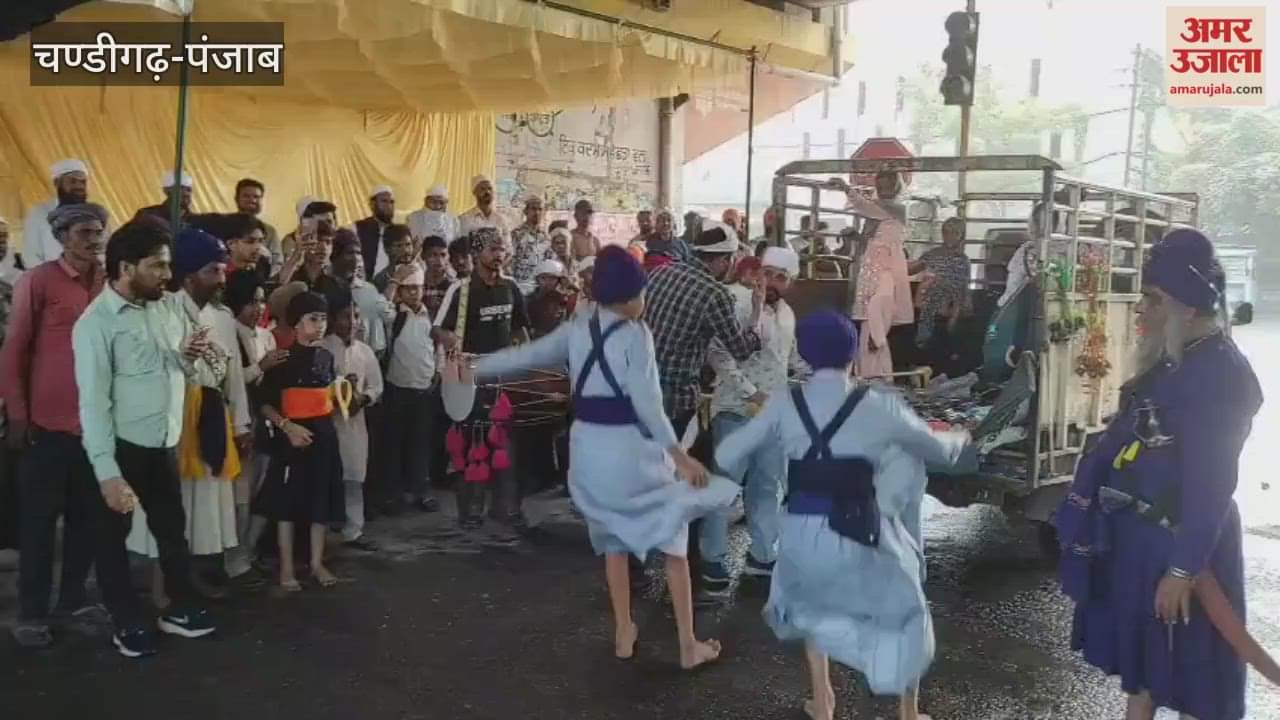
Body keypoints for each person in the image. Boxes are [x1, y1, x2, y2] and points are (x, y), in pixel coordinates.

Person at [453, 245, 738, 669]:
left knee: (613, 541)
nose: (645, 301)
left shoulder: (578, 327)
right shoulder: (636, 335)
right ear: (628, 295)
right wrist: (679, 456)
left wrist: (474, 368)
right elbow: (648, 405)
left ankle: (623, 630)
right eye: (641, 293)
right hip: (632, 453)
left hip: (587, 450)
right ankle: (687, 645)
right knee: (674, 542)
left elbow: (525, 357)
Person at [716, 309, 972, 720]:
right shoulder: (877, 404)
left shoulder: (785, 402)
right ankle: (908, 711)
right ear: (852, 354)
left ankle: (823, 701)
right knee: (905, 609)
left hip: (802, 530)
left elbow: (729, 453)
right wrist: (960, 436)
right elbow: (940, 452)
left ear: (803, 353)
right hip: (861, 526)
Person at [1054, 229, 1262, 720]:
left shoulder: (1221, 374)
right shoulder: (1174, 360)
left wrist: (1183, 569)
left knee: (1199, 675)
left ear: (1187, 307)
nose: (1141, 309)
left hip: (1185, 546)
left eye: (1152, 298)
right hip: (1142, 540)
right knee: (1145, 670)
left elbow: (1212, 485)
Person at [73, 215, 218, 657]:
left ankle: (180, 608)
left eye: (167, 264)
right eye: (157, 265)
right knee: (111, 541)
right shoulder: (95, 324)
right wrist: (107, 473)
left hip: (165, 443)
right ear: (125, 268)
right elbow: (93, 404)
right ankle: (126, 621)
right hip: (121, 448)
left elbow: (184, 369)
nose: (167, 275)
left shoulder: (167, 307)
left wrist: (188, 357)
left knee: (171, 529)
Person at [0, 203, 110, 648]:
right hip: (44, 426)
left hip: (96, 429)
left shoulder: (110, 283)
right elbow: (14, 350)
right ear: (62, 237)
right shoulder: (38, 281)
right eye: (84, 232)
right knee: (39, 526)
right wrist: (18, 414)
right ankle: (31, 613)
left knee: (88, 521)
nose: (94, 240)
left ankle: (72, 604)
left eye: (98, 232)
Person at [124, 228, 253, 601]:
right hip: (171, 419)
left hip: (210, 420)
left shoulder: (222, 318)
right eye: (213, 271)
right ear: (190, 275)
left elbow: (232, 377)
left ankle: (186, 582)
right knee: (166, 505)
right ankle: (161, 593)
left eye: (222, 270)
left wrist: (241, 424)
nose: (222, 279)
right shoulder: (160, 311)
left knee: (200, 508)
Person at [700, 246, 809, 592]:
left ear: (790, 282)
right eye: (768, 273)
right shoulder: (739, 303)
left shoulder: (788, 313)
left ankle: (762, 556)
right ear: (757, 273)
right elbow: (718, 354)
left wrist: (825, 376)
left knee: (768, 487)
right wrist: (751, 392)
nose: (772, 282)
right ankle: (712, 560)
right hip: (735, 410)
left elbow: (790, 359)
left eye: (781, 277)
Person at [433, 228, 530, 532]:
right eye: (492, 249)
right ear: (476, 254)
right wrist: (449, 340)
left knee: (507, 445)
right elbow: (437, 329)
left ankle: (506, 509)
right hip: (470, 376)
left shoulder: (511, 287)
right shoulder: (460, 290)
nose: (499, 255)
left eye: (502, 249)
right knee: (471, 445)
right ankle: (471, 512)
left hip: (503, 376)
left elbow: (520, 330)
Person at [253, 291, 346, 591]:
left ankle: (317, 562)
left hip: (324, 436)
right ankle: (286, 567)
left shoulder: (327, 357)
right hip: (291, 438)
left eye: (323, 319)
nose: (319, 325)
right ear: (295, 323)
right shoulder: (282, 359)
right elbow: (264, 403)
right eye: (312, 319)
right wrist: (287, 426)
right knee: (286, 505)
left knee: (320, 499)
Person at [644, 222, 762, 432]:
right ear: (723, 260)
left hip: (641, 390)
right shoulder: (716, 294)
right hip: (676, 400)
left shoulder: (659, 272)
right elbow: (741, 350)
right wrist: (756, 314)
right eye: (731, 260)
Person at [222, 270, 285, 586]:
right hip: (240, 423)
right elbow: (230, 381)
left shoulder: (265, 336)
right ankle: (234, 561)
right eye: (251, 302)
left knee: (263, 491)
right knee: (241, 497)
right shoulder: (228, 333)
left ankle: (249, 552)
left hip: (266, 423)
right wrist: (261, 367)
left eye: (261, 301)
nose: (258, 309)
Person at [321, 290, 383, 550]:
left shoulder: (365, 351)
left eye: (356, 316)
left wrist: (363, 399)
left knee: (355, 478)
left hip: (355, 425)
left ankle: (353, 530)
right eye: (346, 316)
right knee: (326, 478)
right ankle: (321, 532)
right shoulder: (323, 348)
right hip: (328, 423)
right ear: (333, 319)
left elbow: (376, 386)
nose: (352, 322)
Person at [382, 265, 441, 514]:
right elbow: (382, 308)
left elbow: (438, 346)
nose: (414, 293)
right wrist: (394, 282)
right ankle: (394, 494)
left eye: (417, 288)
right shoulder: (396, 316)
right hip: (398, 388)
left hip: (424, 389)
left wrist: (438, 371)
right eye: (408, 289)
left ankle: (421, 490)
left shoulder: (432, 316)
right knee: (394, 444)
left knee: (421, 443)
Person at [846, 171, 914, 380]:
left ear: (896, 188)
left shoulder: (896, 209)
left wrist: (846, 189)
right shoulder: (876, 217)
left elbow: (882, 299)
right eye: (880, 186)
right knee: (866, 346)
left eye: (887, 186)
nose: (883, 191)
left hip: (882, 279)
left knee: (873, 345)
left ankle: (876, 382)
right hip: (871, 278)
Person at [329, 230, 398, 356]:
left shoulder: (368, 289)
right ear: (335, 256)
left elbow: (390, 316)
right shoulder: (327, 287)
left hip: (371, 355)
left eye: (358, 253)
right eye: (350, 253)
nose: (356, 258)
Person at [910, 217, 971, 354]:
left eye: (955, 233)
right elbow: (911, 270)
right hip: (926, 310)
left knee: (942, 349)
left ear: (961, 235)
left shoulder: (963, 261)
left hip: (946, 311)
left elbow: (962, 290)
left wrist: (954, 316)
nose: (950, 236)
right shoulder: (932, 255)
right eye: (946, 232)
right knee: (922, 347)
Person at [23, 159, 100, 267]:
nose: (79, 186)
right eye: (73, 181)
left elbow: (104, 252)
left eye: (83, 182)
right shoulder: (39, 213)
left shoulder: (97, 214)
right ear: (56, 183)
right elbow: (31, 256)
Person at [233, 178, 281, 274]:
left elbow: (277, 263)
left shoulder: (270, 231)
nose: (252, 200)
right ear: (236, 199)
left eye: (256, 197)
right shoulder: (224, 225)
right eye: (246, 196)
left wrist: (262, 277)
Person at [510, 196, 551, 296]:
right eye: (533, 209)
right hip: (520, 286)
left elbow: (548, 261)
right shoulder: (516, 234)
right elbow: (509, 260)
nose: (537, 212)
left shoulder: (546, 237)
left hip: (540, 287)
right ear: (526, 211)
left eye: (540, 209)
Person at [353, 186, 395, 279]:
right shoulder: (358, 227)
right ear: (372, 204)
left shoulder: (397, 231)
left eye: (391, 202)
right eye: (384, 201)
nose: (388, 206)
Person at [526, 258, 573, 339]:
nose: (547, 282)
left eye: (552, 278)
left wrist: (569, 286)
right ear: (537, 279)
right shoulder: (528, 300)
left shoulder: (563, 298)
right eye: (543, 278)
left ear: (558, 281)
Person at [458, 175, 510, 243]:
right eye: (482, 189)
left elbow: (508, 245)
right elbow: (461, 245)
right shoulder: (464, 219)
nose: (487, 192)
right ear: (474, 192)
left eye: (490, 188)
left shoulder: (501, 219)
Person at [371, 224, 416, 294]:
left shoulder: (419, 272)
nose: (406, 250)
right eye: (399, 246)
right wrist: (396, 279)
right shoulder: (379, 281)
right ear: (387, 249)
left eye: (408, 244)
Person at [421, 235, 453, 318]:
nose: (439, 260)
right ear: (423, 256)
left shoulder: (453, 286)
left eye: (443, 255)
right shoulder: (416, 284)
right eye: (434, 255)